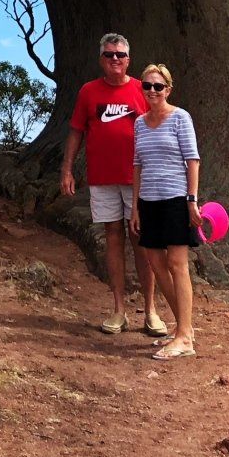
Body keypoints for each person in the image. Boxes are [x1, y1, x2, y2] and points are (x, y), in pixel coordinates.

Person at [59, 34, 164, 336]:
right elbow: (76, 131)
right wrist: (67, 169)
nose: (114, 59)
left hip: (137, 180)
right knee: (113, 237)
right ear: (101, 59)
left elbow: (160, 127)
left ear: (129, 59)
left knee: (142, 242)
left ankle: (151, 310)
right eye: (108, 55)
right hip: (102, 178)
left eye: (120, 55)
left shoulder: (142, 90)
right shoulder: (89, 92)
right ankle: (118, 309)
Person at [131, 62, 201, 359]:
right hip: (149, 201)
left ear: (168, 89)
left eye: (158, 86)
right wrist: (135, 207)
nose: (152, 91)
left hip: (175, 199)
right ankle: (183, 328)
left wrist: (191, 200)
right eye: (147, 85)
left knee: (177, 264)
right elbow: (138, 165)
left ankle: (184, 337)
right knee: (156, 264)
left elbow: (192, 160)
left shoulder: (180, 118)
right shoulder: (139, 123)